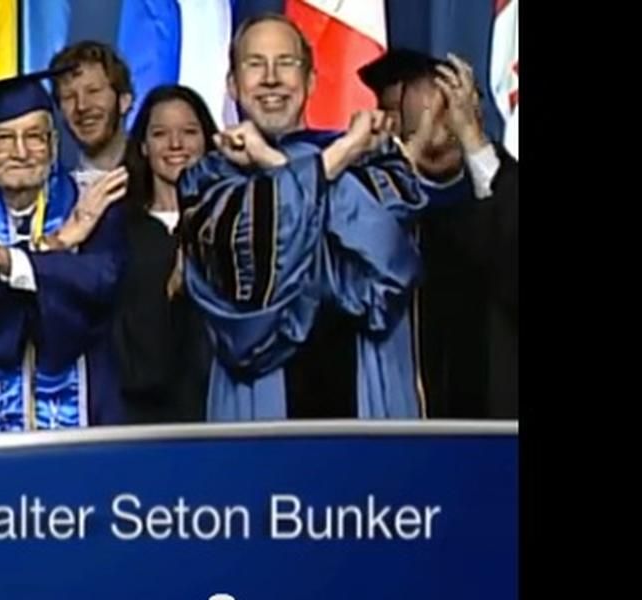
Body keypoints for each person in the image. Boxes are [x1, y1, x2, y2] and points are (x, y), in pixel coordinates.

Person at [180, 14, 427, 420]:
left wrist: (275, 164)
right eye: (255, 63)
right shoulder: (208, 181)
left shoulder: (374, 164)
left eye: (287, 63)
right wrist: (338, 158)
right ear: (232, 84)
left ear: (311, 81)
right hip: (261, 404)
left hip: (362, 390)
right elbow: (247, 284)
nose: (271, 78)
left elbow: (390, 268)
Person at [0, 68, 131, 434]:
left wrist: (6, 262)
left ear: (53, 143)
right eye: (3, 139)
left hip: (85, 414)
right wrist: (59, 248)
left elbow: (99, 291)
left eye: (34, 137)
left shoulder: (96, 207)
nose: (21, 152)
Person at [359, 49, 518, 418]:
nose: (437, 126)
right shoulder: (368, 200)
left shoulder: (505, 192)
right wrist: (407, 158)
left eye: (449, 110)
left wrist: (474, 142)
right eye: (409, 114)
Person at [113, 85, 218, 423]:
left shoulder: (232, 220)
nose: (176, 145)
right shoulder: (118, 229)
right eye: (161, 134)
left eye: (189, 132)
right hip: (143, 413)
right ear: (143, 146)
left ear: (207, 140)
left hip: (217, 407)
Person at [49, 41, 134, 192]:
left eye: (93, 91)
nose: (82, 106)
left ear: (124, 101)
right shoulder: (55, 199)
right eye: (69, 96)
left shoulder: (157, 183)